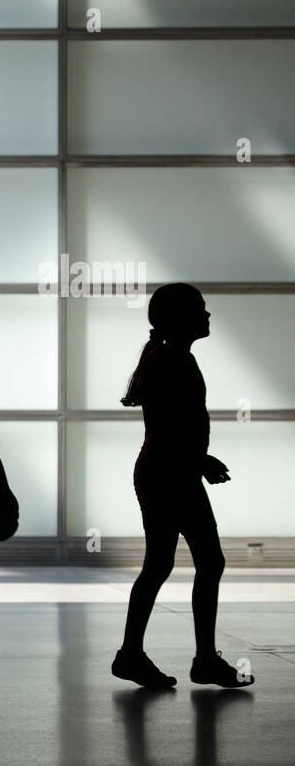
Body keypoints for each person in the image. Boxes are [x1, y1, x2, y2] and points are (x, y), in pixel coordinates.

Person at [113, 283, 253, 689]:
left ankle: (134, 654)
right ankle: (200, 659)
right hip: (170, 473)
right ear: (181, 318)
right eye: (201, 310)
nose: (208, 316)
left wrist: (197, 461)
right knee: (206, 562)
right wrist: (200, 459)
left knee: (163, 564)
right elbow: (170, 427)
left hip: (167, 471)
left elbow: (169, 425)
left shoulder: (168, 357)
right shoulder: (171, 360)